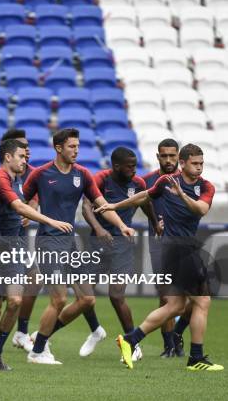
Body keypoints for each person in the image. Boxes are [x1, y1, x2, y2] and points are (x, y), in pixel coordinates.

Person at [96, 144, 223, 372]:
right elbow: (144, 196)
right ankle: (196, 358)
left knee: (174, 305)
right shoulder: (165, 182)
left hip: (179, 250)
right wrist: (115, 204)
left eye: (201, 163)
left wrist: (182, 194)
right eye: (195, 163)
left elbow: (201, 210)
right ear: (182, 163)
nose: (199, 168)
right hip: (178, 250)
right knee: (202, 301)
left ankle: (130, 340)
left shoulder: (206, 186)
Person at [0, 139, 73, 370]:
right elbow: (5, 206)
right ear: (8, 157)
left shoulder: (18, 180)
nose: (25, 159)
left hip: (14, 249)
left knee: (15, 301)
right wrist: (51, 220)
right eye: (21, 155)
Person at [24, 128, 134, 365]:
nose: (76, 150)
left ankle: (51, 339)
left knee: (87, 299)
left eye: (77, 146)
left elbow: (102, 204)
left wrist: (122, 225)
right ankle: (38, 351)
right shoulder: (41, 174)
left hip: (70, 244)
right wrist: (28, 214)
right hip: (48, 242)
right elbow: (25, 203)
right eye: (72, 146)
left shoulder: (83, 174)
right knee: (59, 299)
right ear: (58, 148)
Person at [80, 147, 159, 360]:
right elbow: (86, 206)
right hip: (98, 242)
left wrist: (155, 224)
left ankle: (133, 344)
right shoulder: (101, 179)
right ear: (116, 167)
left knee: (116, 295)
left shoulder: (139, 184)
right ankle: (96, 330)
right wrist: (99, 228)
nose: (134, 170)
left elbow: (146, 203)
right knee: (84, 295)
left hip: (123, 246)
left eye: (135, 165)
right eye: (130, 166)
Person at [141, 138, 186, 357]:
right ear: (157, 157)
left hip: (185, 244)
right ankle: (170, 345)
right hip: (159, 245)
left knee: (191, 298)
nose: (168, 160)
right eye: (164, 156)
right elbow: (137, 202)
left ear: (179, 156)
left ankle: (176, 337)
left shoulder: (188, 181)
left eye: (172, 155)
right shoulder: (148, 181)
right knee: (166, 295)